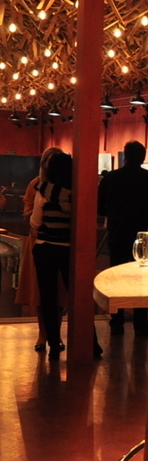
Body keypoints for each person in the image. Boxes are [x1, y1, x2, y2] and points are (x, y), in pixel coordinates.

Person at [31, 151, 101, 360]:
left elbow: (36, 222)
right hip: (70, 250)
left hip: (45, 248)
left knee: (48, 298)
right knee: (79, 297)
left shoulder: (43, 190)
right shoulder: (77, 193)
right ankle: (92, 344)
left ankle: (53, 343)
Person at [98, 141, 148, 336]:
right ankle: (140, 323)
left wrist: (115, 213)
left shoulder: (111, 178)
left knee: (117, 277)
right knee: (140, 279)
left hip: (117, 233)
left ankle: (117, 321)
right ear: (143, 157)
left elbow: (100, 208)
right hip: (143, 235)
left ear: (125, 156)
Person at [16, 147, 61, 350]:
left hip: (59, 242)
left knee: (58, 293)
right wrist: (38, 208)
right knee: (40, 292)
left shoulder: (66, 185)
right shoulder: (35, 184)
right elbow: (27, 215)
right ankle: (43, 334)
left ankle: (55, 334)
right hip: (38, 241)